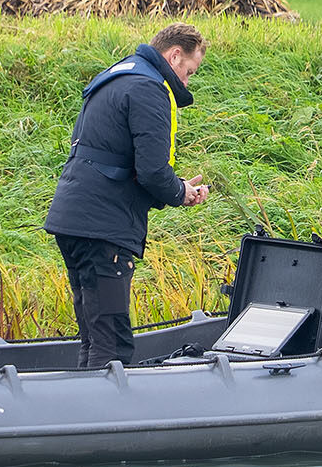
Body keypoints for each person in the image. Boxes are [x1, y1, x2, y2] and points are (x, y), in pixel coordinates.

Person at [45, 22, 211, 368]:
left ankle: (85, 411)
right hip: (104, 229)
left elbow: (120, 158)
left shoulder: (117, 76)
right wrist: (181, 192)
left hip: (73, 218)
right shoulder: (150, 89)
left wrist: (176, 185)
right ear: (174, 55)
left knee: (93, 334)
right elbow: (151, 170)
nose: (186, 81)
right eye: (189, 71)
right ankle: (102, 417)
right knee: (112, 344)